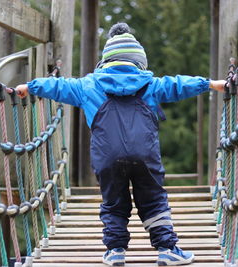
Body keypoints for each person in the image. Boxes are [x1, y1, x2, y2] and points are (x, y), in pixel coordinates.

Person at [15, 23, 226, 266]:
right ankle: (167, 248)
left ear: (105, 62)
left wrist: (29, 87)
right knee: (153, 199)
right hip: (145, 156)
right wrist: (209, 84)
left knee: (113, 201)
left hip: (107, 158)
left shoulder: (88, 86)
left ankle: (115, 251)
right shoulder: (152, 85)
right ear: (139, 63)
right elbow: (178, 84)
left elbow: (58, 86)